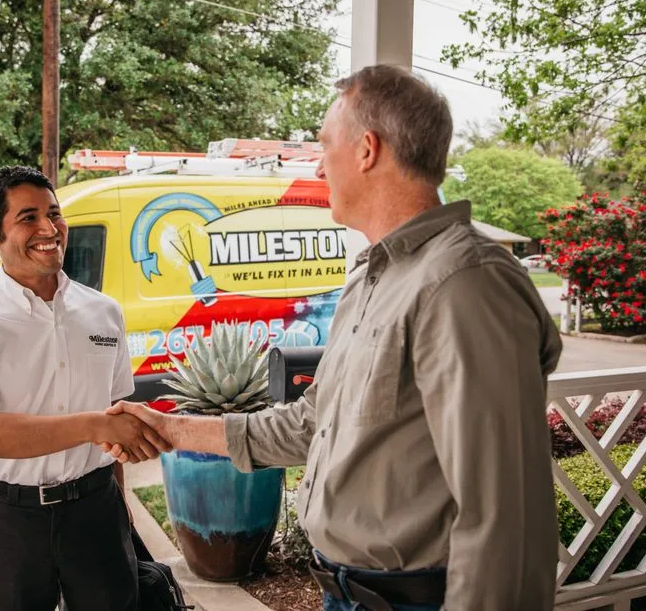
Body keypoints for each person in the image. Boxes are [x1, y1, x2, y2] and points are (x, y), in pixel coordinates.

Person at [106, 64, 562, 611]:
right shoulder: (373, 276)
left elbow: (506, 518)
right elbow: (309, 425)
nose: (320, 167)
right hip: (346, 596)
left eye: (325, 146)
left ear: (367, 149)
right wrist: (169, 428)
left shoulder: (464, 283)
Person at [0, 166, 171, 611]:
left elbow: (115, 416)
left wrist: (119, 504)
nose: (48, 229)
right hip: (11, 520)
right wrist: (93, 425)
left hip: (97, 510)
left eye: (54, 214)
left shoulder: (103, 312)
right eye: (27, 218)